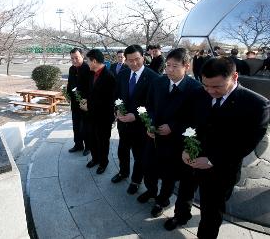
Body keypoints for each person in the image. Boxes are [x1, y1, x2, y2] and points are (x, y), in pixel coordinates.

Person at [165, 57, 270, 238]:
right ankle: (181, 216)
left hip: (221, 169)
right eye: (206, 85)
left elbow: (246, 143)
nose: (210, 91)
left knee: (212, 209)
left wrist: (212, 160)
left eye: (217, 87)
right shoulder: (198, 93)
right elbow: (186, 122)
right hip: (190, 158)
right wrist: (185, 148)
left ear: (234, 76)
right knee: (184, 192)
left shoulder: (257, 105)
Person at [138, 48, 201, 218]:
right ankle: (151, 191)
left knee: (169, 174)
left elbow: (195, 118)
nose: (169, 70)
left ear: (186, 66)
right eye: (168, 65)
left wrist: (173, 127)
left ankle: (162, 199)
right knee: (148, 167)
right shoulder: (158, 82)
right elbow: (149, 106)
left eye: (175, 66)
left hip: (175, 141)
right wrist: (149, 123)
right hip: (154, 136)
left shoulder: (195, 89)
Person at [110, 45, 158, 194]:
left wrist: (135, 116)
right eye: (130, 60)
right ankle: (123, 172)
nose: (134, 63)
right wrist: (117, 109)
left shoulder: (153, 77)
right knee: (122, 150)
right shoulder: (123, 74)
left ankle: (136, 180)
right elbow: (117, 95)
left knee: (139, 155)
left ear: (143, 57)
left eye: (137, 59)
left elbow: (154, 105)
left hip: (141, 126)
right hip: (123, 124)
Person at [81, 49, 115, 174]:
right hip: (91, 115)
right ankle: (95, 159)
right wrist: (85, 102)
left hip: (103, 117)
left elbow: (110, 101)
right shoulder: (91, 73)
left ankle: (103, 162)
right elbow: (88, 92)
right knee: (92, 139)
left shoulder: (109, 76)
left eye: (88, 60)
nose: (87, 62)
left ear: (94, 61)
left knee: (103, 141)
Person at [67, 48, 90, 156]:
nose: (74, 60)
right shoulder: (71, 69)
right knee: (76, 125)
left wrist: (86, 100)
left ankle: (88, 146)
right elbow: (69, 84)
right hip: (75, 103)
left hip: (85, 102)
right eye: (72, 58)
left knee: (85, 125)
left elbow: (91, 86)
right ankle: (78, 144)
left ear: (82, 56)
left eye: (77, 57)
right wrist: (68, 95)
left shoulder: (88, 68)